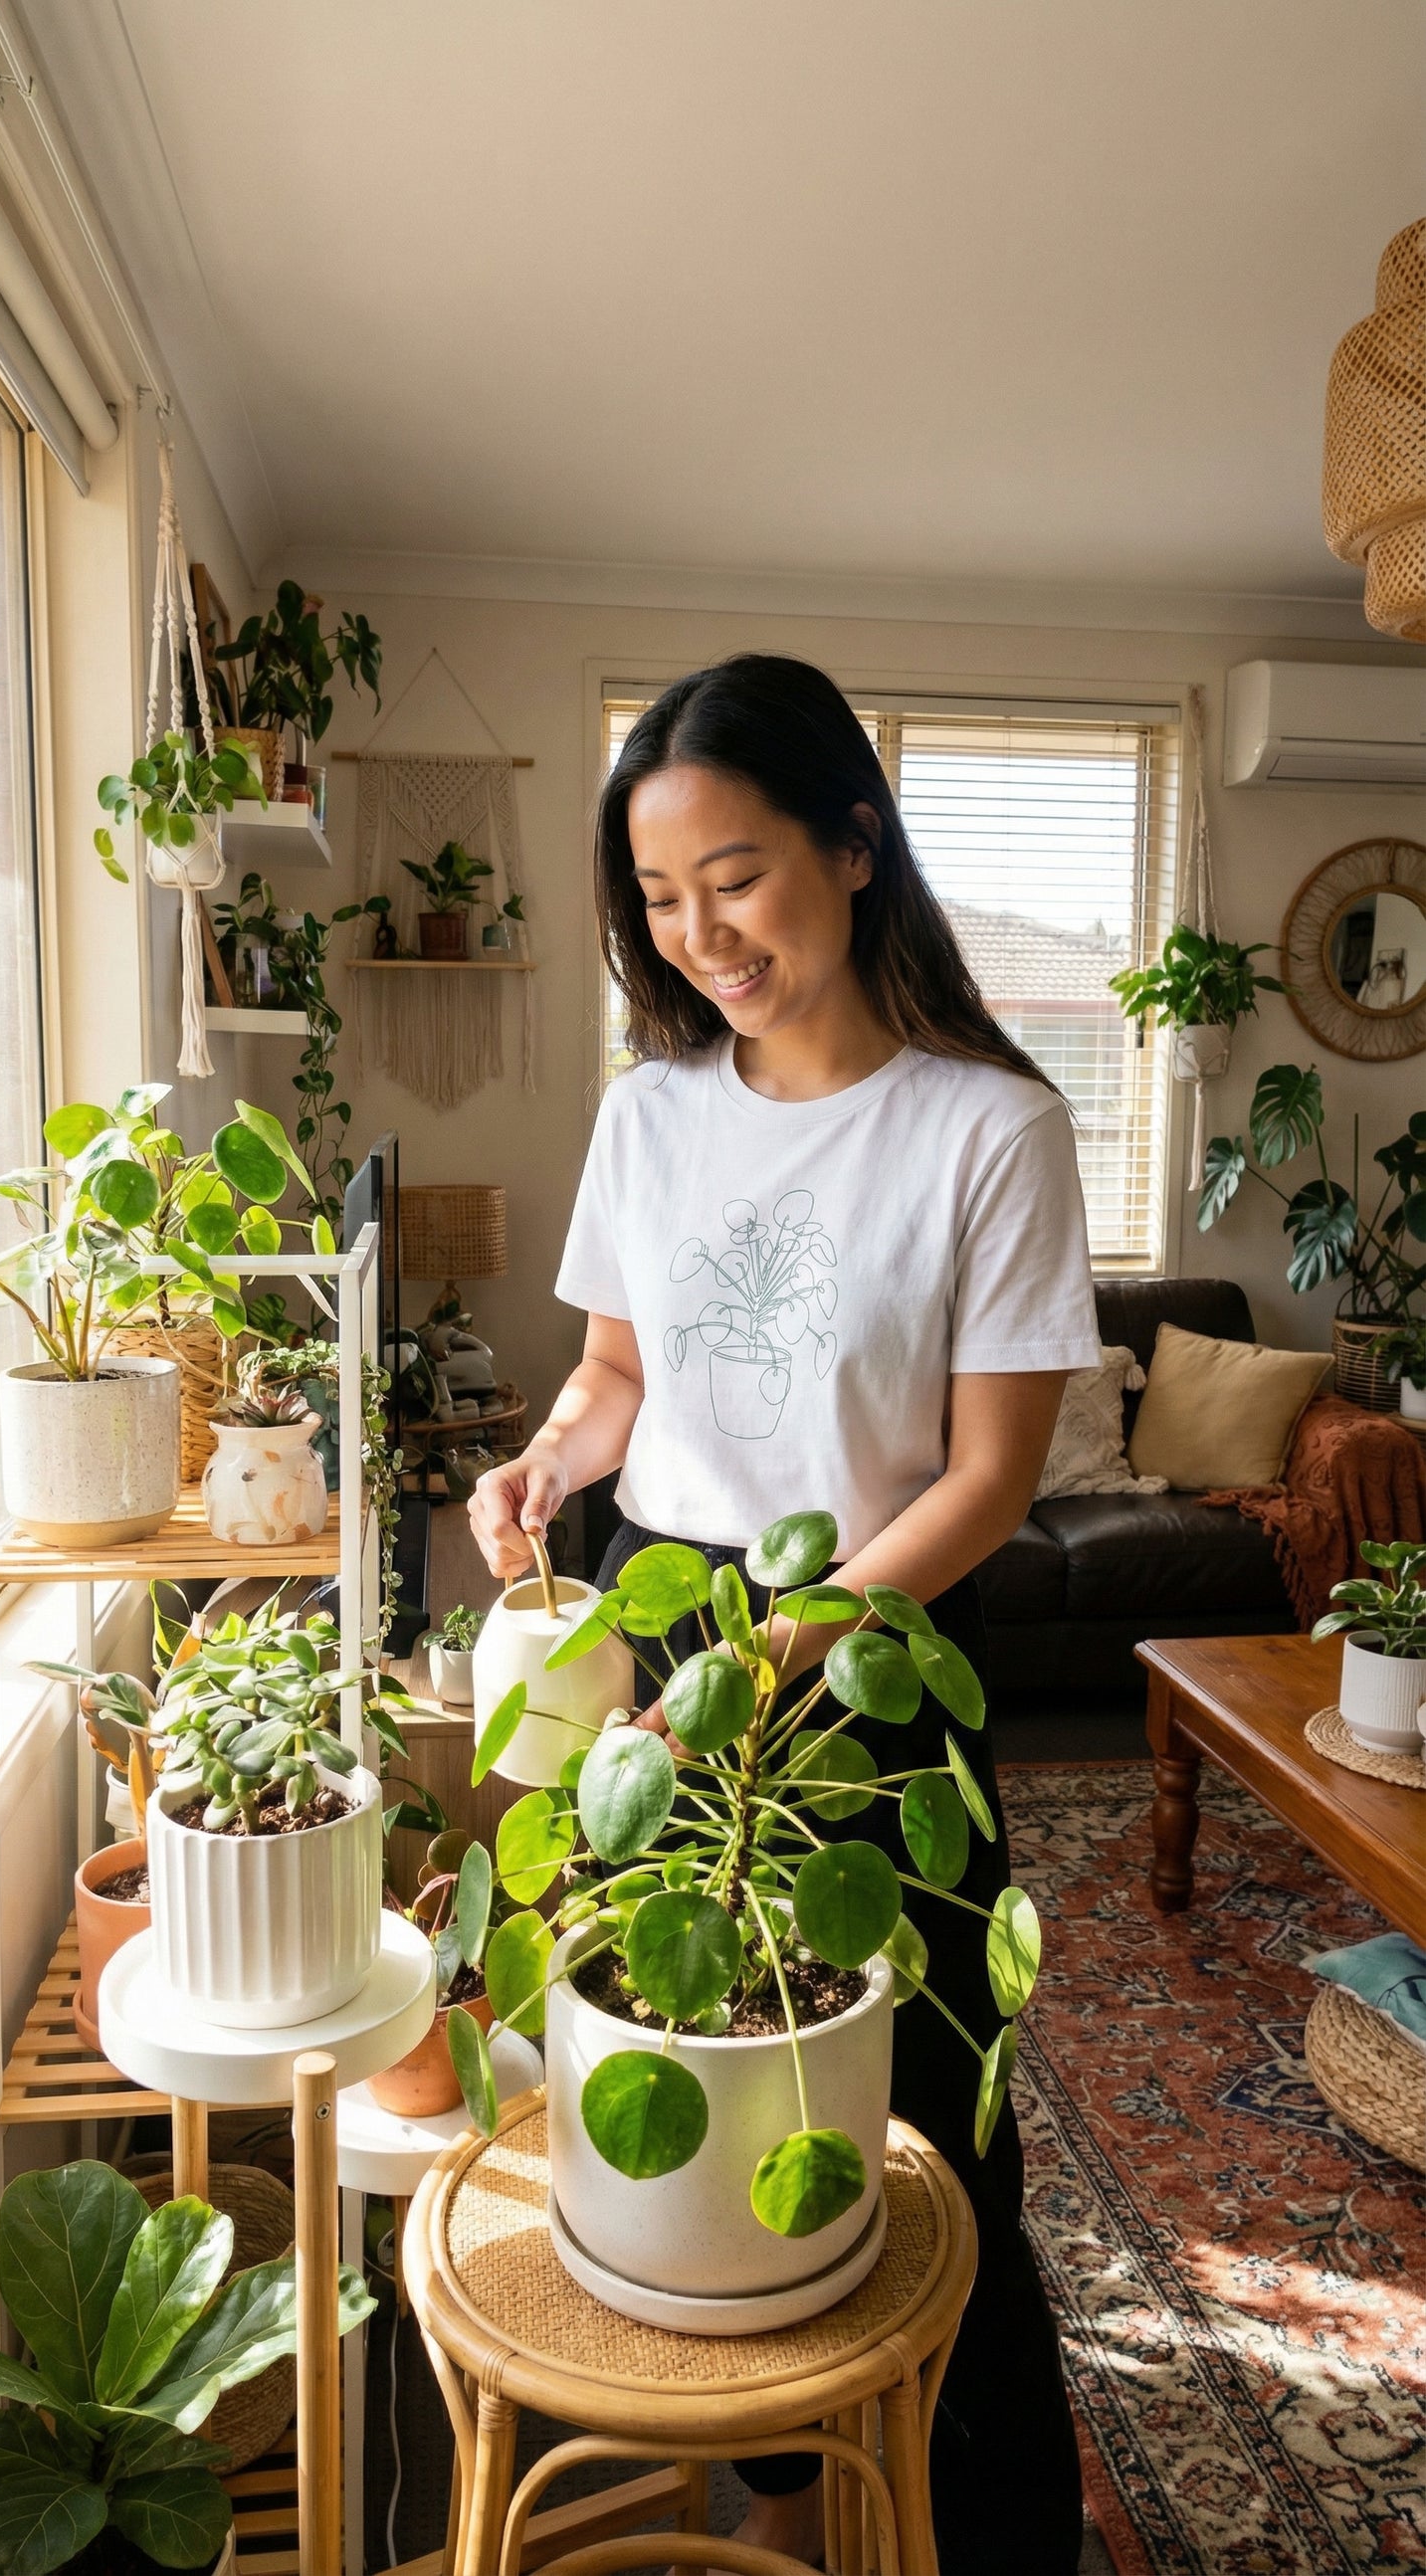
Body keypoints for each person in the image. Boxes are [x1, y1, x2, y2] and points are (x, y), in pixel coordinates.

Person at [469, 652, 1099, 2575]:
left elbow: (986, 1477)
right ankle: (782, 2501)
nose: (701, 933)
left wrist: (784, 1645)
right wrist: (543, 1464)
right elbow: (615, 1375)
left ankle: (990, 2530)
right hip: (666, 1627)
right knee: (689, 2086)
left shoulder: (989, 1127)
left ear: (853, 841)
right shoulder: (652, 1114)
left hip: (873, 1659)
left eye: (733, 876)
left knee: (925, 2138)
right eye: (660, 897)